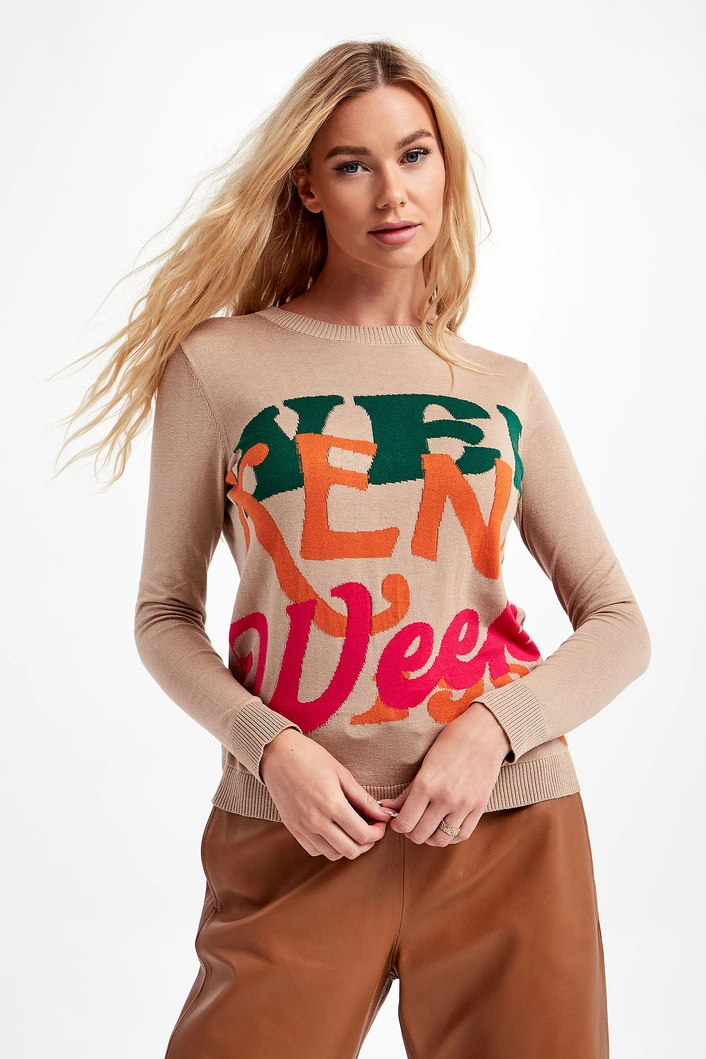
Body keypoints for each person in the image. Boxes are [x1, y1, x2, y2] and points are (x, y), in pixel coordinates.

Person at [54, 38, 651, 1059]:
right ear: (307, 188)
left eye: (414, 155)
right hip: (294, 833)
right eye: (351, 164)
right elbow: (163, 615)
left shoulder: (501, 388)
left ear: (445, 168)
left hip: (505, 830)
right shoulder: (220, 365)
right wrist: (270, 747)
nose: (391, 192)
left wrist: (492, 731)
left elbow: (620, 625)